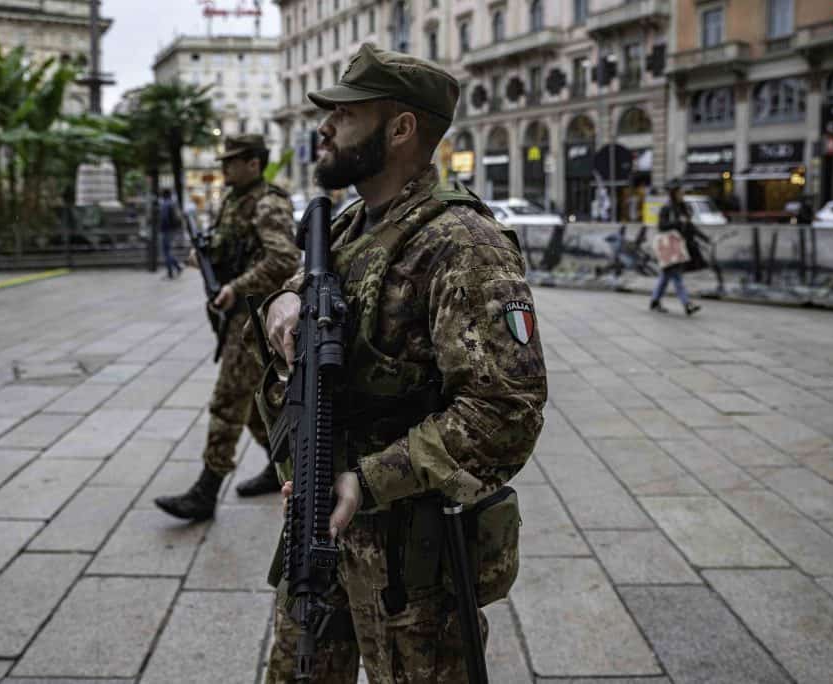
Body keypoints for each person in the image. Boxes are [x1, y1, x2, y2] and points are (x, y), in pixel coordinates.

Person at [259, 44, 548, 681]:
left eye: (344, 114)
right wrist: (282, 301)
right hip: (322, 538)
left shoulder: (463, 244)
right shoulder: (348, 226)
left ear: (400, 127)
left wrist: (366, 481)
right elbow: (303, 288)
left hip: (414, 575)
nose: (323, 127)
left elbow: (505, 413)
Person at [154, 135, 300, 520]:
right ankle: (280, 468)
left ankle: (206, 489)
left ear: (254, 163)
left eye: (233, 161)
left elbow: (284, 259)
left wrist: (237, 287)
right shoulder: (236, 200)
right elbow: (233, 249)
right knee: (254, 408)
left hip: (252, 319)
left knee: (227, 401)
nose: (225, 168)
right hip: (236, 319)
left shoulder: (269, 202)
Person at [649, 178, 708, 315]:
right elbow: (661, 226)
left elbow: (690, 227)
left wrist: (705, 238)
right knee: (676, 276)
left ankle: (655, 301)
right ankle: (687, 304)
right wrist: (677, 222)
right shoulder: (667, 208)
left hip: (680, 246)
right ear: (674, 193)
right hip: (671, 247)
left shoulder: (683, 208)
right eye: (680, 192)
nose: (683, 194)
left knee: (666, 276)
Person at [158, 188, 183, 280]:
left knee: (166, 252)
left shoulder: (165, 204)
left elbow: (164, 218)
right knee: (167, 251)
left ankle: (170, 273)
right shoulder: (172, 203)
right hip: (172, 230)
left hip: (166, 230)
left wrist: (163, 228)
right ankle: (177, 267)